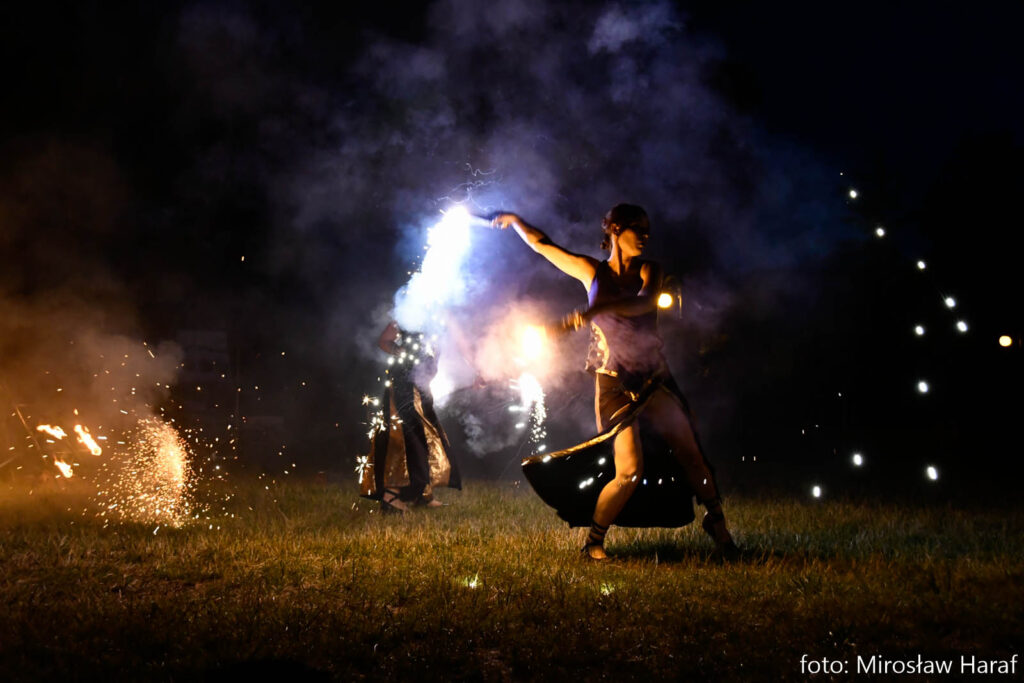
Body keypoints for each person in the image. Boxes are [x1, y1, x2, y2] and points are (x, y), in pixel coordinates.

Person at [492, 205, 738, 560]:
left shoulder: (649, 270)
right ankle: (593, 543)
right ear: (615, 229)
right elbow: (543, 245)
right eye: (638, 228)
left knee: (692, 455)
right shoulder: (592, 272)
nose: (645, 236)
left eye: (648, 230)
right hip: (614, 384)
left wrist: (594, 311)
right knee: (630, 471)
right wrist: (516, 221)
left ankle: (718, 526)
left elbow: (644, 303)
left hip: (653, 377)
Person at [359, 320, 461, 513]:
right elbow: (384, 341)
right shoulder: (407, 315)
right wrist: (401, 352)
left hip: (421, 387)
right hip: (404, 387)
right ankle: (391, 496)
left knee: (427, 436)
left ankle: (422, 493)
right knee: (403, 438)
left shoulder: (438, 317)